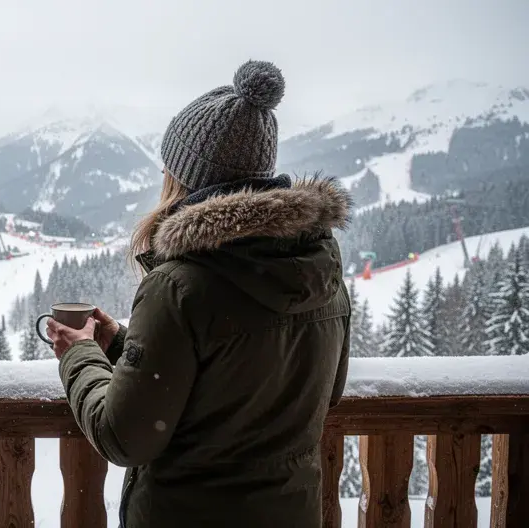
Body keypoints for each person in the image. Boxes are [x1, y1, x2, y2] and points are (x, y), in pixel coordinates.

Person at [46, 60, 351, 527]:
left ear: (184, 178)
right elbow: (298, 388)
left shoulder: (179, 287)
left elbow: (124, 437)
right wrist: (125, 345)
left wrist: (80, 354)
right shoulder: (322, 272)